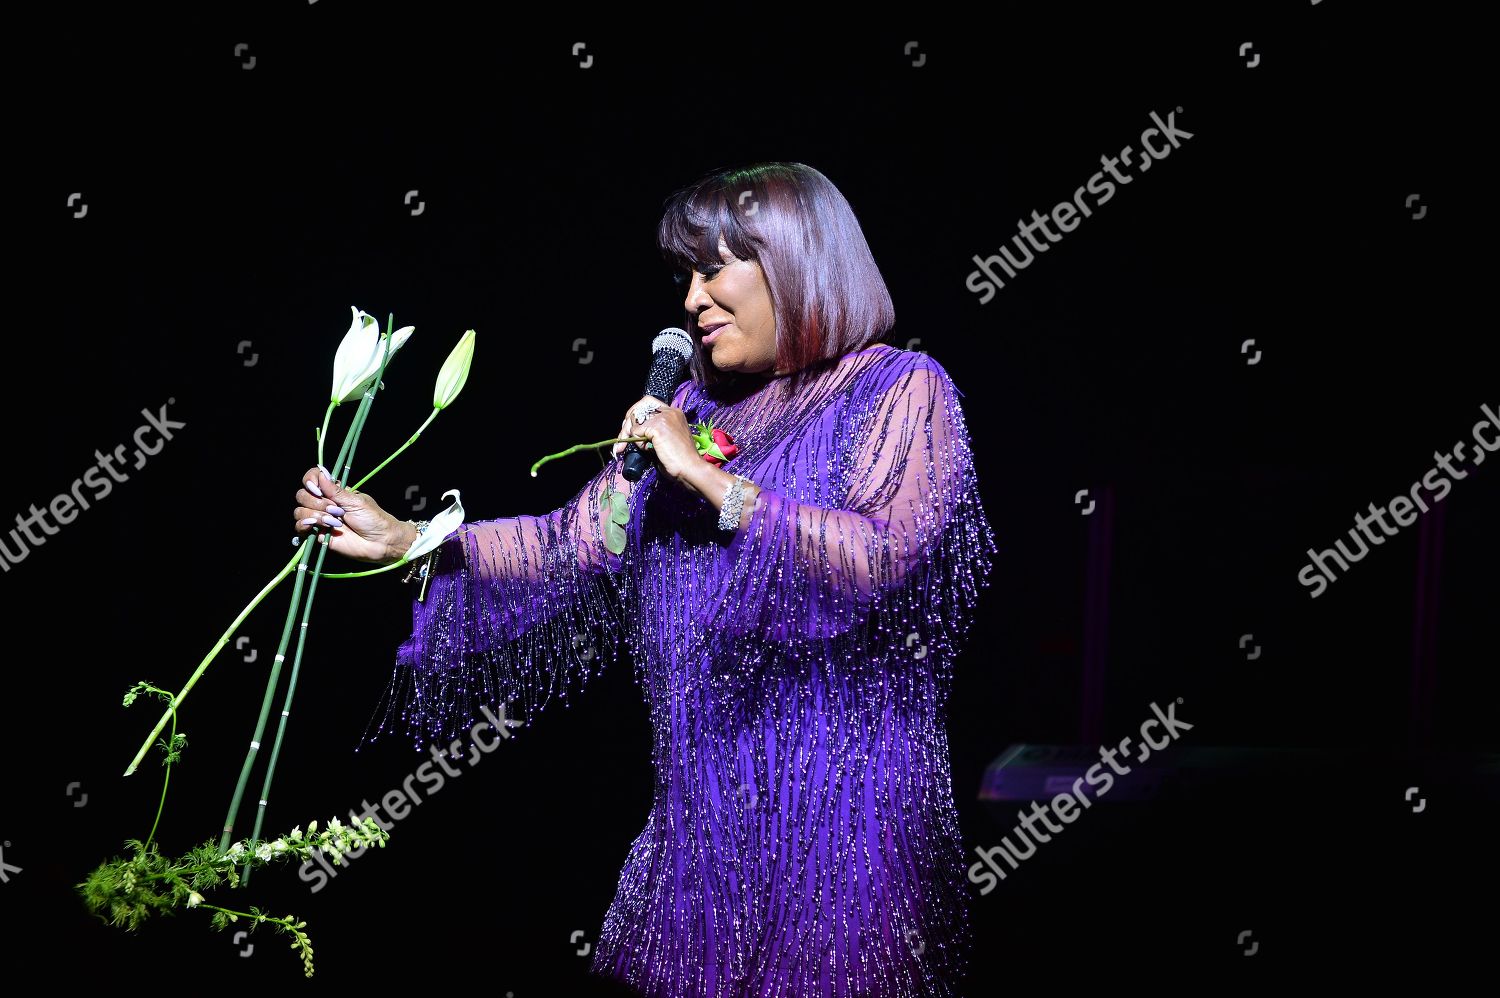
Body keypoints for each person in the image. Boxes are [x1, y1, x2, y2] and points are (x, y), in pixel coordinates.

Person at [291, 162, 997, 997]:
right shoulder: (690, 415)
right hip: (699, 845)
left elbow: (880, 557)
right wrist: (415, 538)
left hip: (845, 838)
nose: (692, 299)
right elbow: (566, 545)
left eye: (715, 267)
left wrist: (704, 479)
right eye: (683, 278)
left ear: (800, 260)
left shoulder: (900, 386)